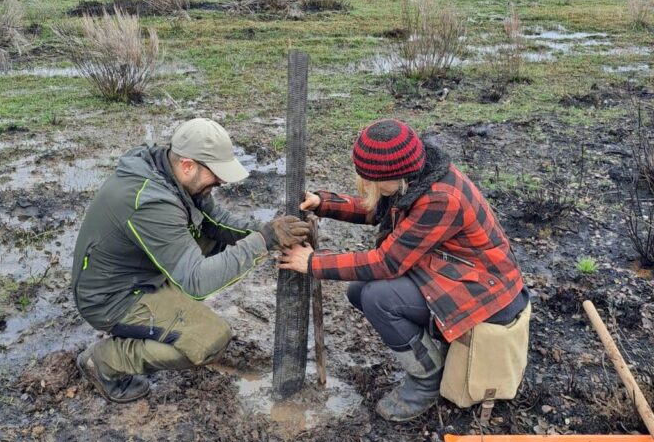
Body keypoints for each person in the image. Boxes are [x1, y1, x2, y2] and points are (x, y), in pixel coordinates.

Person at [279, 118, 529, 422]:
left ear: (395, 174)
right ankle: (436, 350)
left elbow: (386, 262)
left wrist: (314, 263)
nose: (368, 186)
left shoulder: (440, 198)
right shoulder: (417, 175)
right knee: (361, 291)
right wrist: (324, 203)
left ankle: (427, 380)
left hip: (487, 298)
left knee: (378, 298)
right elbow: (378, 207)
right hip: (458, 276)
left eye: (371, 180)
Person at [72, 117, 309, 403]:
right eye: (216, 174)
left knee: (218, 240)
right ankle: (105, 361)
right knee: (210, 339)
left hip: (140, 273)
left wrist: (264, 231)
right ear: (188, 165)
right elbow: (197, 282)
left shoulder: (168, 172)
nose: (221, 182)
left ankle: (160, 315)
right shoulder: (151, 202)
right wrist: (264, 241)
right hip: (112, 299)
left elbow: (214, 221)